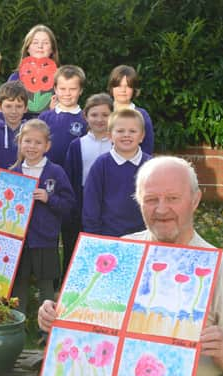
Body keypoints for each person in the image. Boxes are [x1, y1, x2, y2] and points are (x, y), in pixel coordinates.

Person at [39, 156, 223, 376]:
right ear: (139, 202)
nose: (161, 209)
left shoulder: (221, 268)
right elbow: (87, 324)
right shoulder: (120, 253)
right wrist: (56, 317)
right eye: (151, 199)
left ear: (195, 200)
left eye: (173, 198)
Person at [10, 119, 75, 315]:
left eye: (38, 143)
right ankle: (17, 326)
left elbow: (68, 204)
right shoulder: (13, 172)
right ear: (20, 143)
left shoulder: (55, 172)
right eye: (27, 141)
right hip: (20, 241)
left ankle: (46, 330)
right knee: (18, 284)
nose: (32, 147)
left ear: (47, 146)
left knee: (46, 284)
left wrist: (49, 198)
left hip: (46, 240)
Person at [62, 93, 113, 278]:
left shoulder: (117, 144)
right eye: (94, 115)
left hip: (109, 201)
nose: (99, 119)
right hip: (81, 201)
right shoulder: (77, 145)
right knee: (76, 247)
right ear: (85, 117)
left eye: (105, 115)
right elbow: (69, 178)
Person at [82, 108, 151, 236]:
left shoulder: (151, 166)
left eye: (132, 131)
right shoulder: (101, 165)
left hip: (144, 236)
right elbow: (91, 205)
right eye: (120, 131)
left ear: (142, 136)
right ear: (110, 136)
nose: (126, 135)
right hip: (109, 235)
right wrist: (93, 236)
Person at [38, 65, 87, 167]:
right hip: (46, 173)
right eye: (62, 89)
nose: (67, 93)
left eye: (73, 89)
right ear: (55, 89)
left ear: (81, 90)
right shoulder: (44, 118)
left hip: (74, 175)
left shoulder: (86, 120)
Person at [8, 24, 60, 116]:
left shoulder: (60, 79)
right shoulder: (15, 78)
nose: (40, 46)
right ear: (28, 48)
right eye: (35, 42)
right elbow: (7, 108)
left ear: (52, 49)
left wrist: (55, 110)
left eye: (45, 43)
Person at [107, 65, 155, 155]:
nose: (123, 90)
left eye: (128, 86)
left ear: (134, 90)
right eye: (119, 86)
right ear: (112, 87)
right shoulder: (102, 113)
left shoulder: (142, 115)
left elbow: (147, 149)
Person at [0, 81, 29, 170]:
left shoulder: (31, 134)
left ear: (25, 108)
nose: (13, 111)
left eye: (18, 106)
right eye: (8, 106)